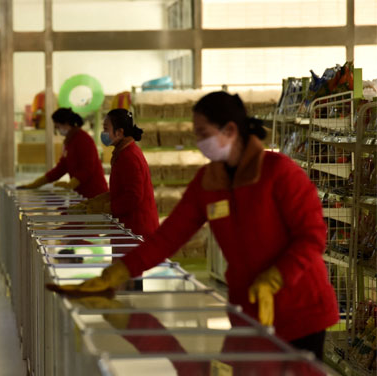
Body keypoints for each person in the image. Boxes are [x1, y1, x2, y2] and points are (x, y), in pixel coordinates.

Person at [55, 91, 339, 359]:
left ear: (229, 131)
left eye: (203, 134)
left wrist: (275, 278)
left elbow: (312, 237)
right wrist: (116, 273)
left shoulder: (280, 172)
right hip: (248, 311)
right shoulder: (209, 181)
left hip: (301, 311)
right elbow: (167, 237)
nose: (198, 142)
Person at [77, 109, 159, 242]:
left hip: (136, 230)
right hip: (127, 227)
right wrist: (97, 202)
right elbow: (122, 191)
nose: (103, 134)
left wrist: (106, 208)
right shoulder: (123, 153)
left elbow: (133, 196)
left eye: (105, 129)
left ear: (119, 132)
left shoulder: (130, 156)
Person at [19, 108, 108, 199]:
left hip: (94, 192)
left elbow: (87, 168)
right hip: (81, 193)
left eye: (57, 127)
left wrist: (71, 184)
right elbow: (62, 167)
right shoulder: (69, 140)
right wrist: (36, 184)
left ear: (66, 123)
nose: (57, 130)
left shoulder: (83, 139)